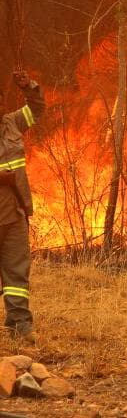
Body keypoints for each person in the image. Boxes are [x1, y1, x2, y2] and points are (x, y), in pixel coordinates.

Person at [0, 70, 45, 344]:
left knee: (17, 272)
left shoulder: (12, 123)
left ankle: (20, 323)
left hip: (13, 214)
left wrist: (30, 86)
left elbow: (38, 109)